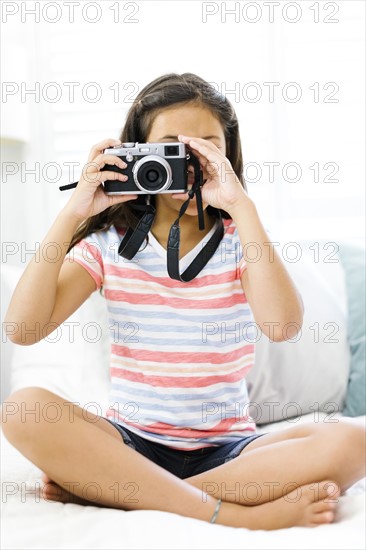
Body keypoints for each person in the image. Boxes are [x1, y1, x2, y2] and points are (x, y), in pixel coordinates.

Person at [2, 73, 365, 530]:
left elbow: (282, 326)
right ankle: (233, 514)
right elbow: (23, 329)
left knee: (356, 440)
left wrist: (242, 207)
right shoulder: (108, 246)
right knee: (22, 410)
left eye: (204, 148)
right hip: (132, 440)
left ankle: (122, 489)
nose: (187, 163)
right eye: (170, 148)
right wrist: (74, 210)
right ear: (135, 154)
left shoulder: (239, 240)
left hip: (229, 451)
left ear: (227, 156)